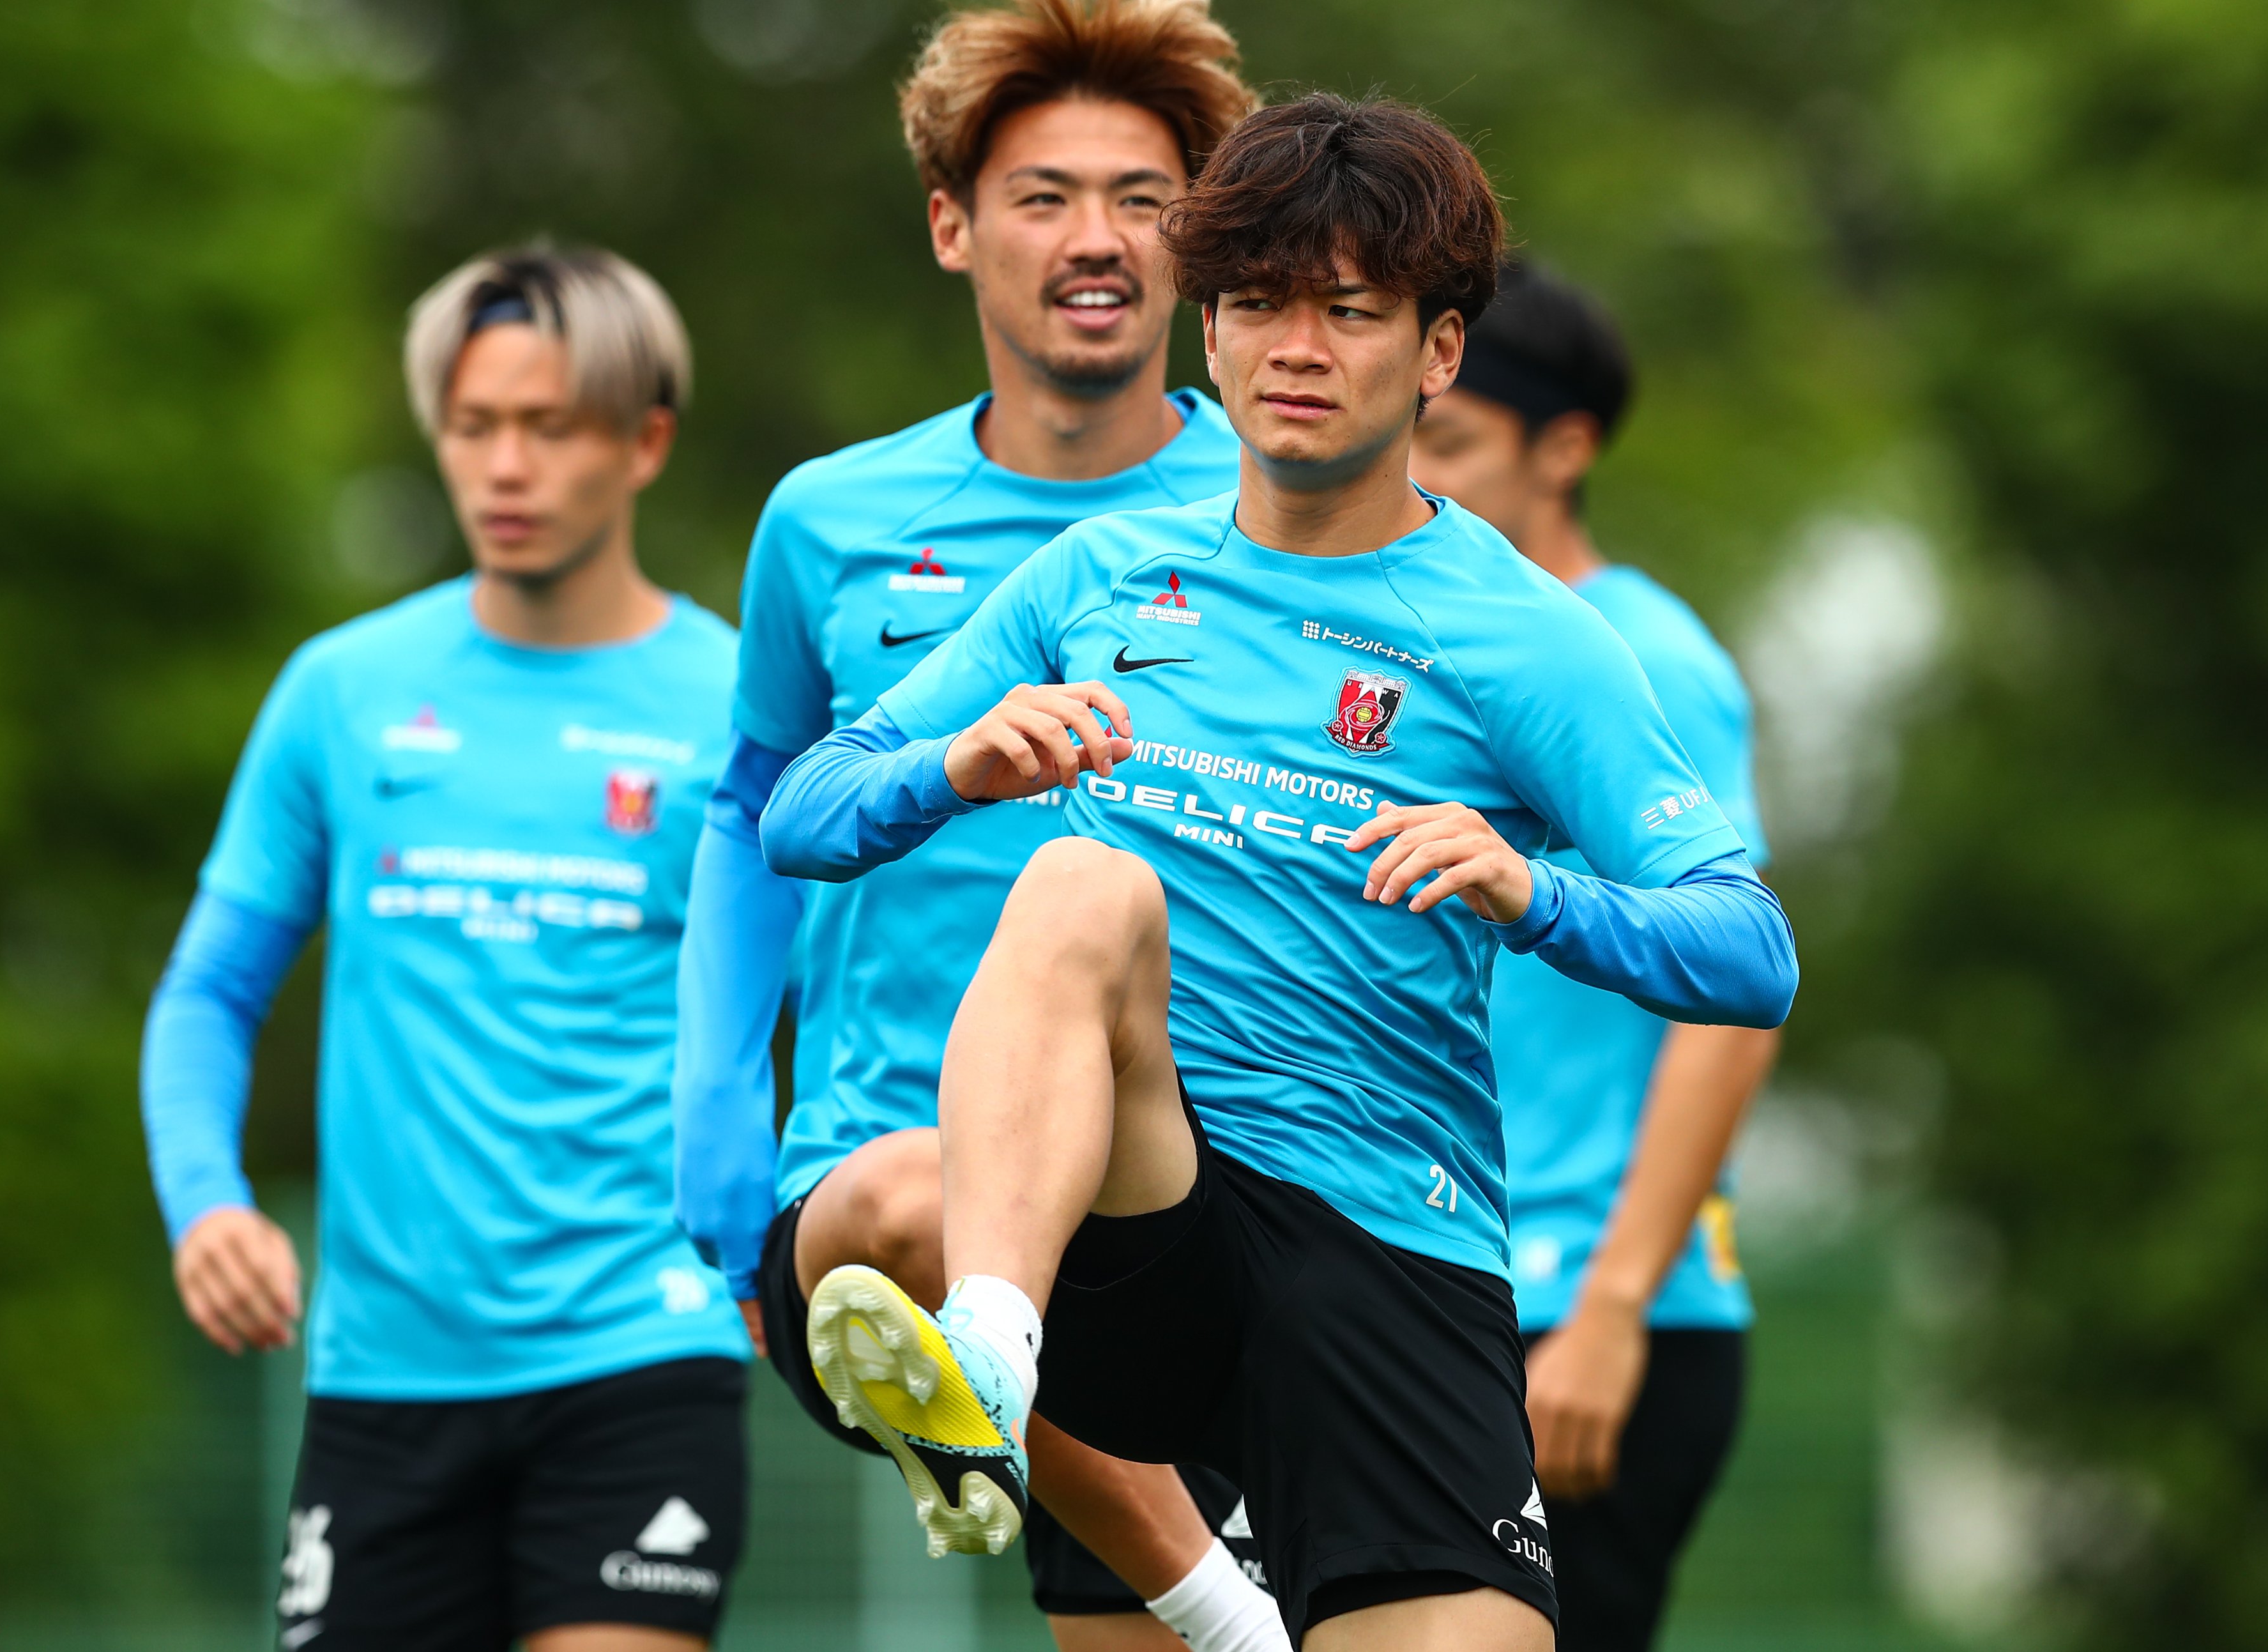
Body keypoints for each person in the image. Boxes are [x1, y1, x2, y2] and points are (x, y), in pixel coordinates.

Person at [758, 93, 1801, 1651]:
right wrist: (951, 765)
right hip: (1156, 1224)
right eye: (1255, 304)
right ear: (1208, 327)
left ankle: (1228, 1605)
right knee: (1076, 896)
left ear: (1437, 353)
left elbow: (1749, 952)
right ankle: (989, 1350)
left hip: (1387, 1251)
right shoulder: (1098, 576)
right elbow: (803, 810)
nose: (1294, 349)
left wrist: (1534, 895)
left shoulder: (1529, 637)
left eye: (1349, 313)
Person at [667, 0, 1283, 1652]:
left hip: (1213, 1197)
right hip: (888, 1188)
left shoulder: (1287, 511)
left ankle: (1156, 1556)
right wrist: (713, 1119)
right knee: (887, 1219)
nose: (1097, 238)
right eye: (1044, 197)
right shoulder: (828, 522)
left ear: (1195, 246)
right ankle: (1211, 1598)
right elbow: (751, 809)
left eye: (1142, 201)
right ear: (953, 226)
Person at [140, 246, 755, 1651]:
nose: (505, 467)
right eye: (474, 426)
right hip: (382, 1379)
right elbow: (209, 989)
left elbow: (834, 995)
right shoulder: (341, 693)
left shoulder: (735, 703)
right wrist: (207, 1200)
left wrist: (784, 1222)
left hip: (640, 1349)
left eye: (550, 426)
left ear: (645, 441)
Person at [1408, 260, 1779, 1651]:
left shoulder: (1644, 658)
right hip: (1456, 1283)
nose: (1415, 477)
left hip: (1594, 1320)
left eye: (1451, 444)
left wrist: (1615, 1305)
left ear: (1562, 449)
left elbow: (1734, 1003)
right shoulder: (1426, 645)